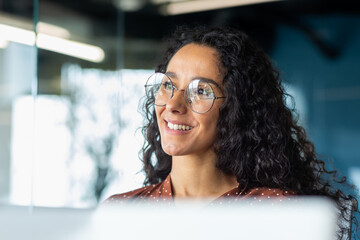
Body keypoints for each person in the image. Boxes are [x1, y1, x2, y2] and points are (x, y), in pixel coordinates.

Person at [106, 26, 358, 239]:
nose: (173, 105)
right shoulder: (121, 212)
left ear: (236, 107)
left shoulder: (283, 214)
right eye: (168, 85)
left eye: (201, 91)